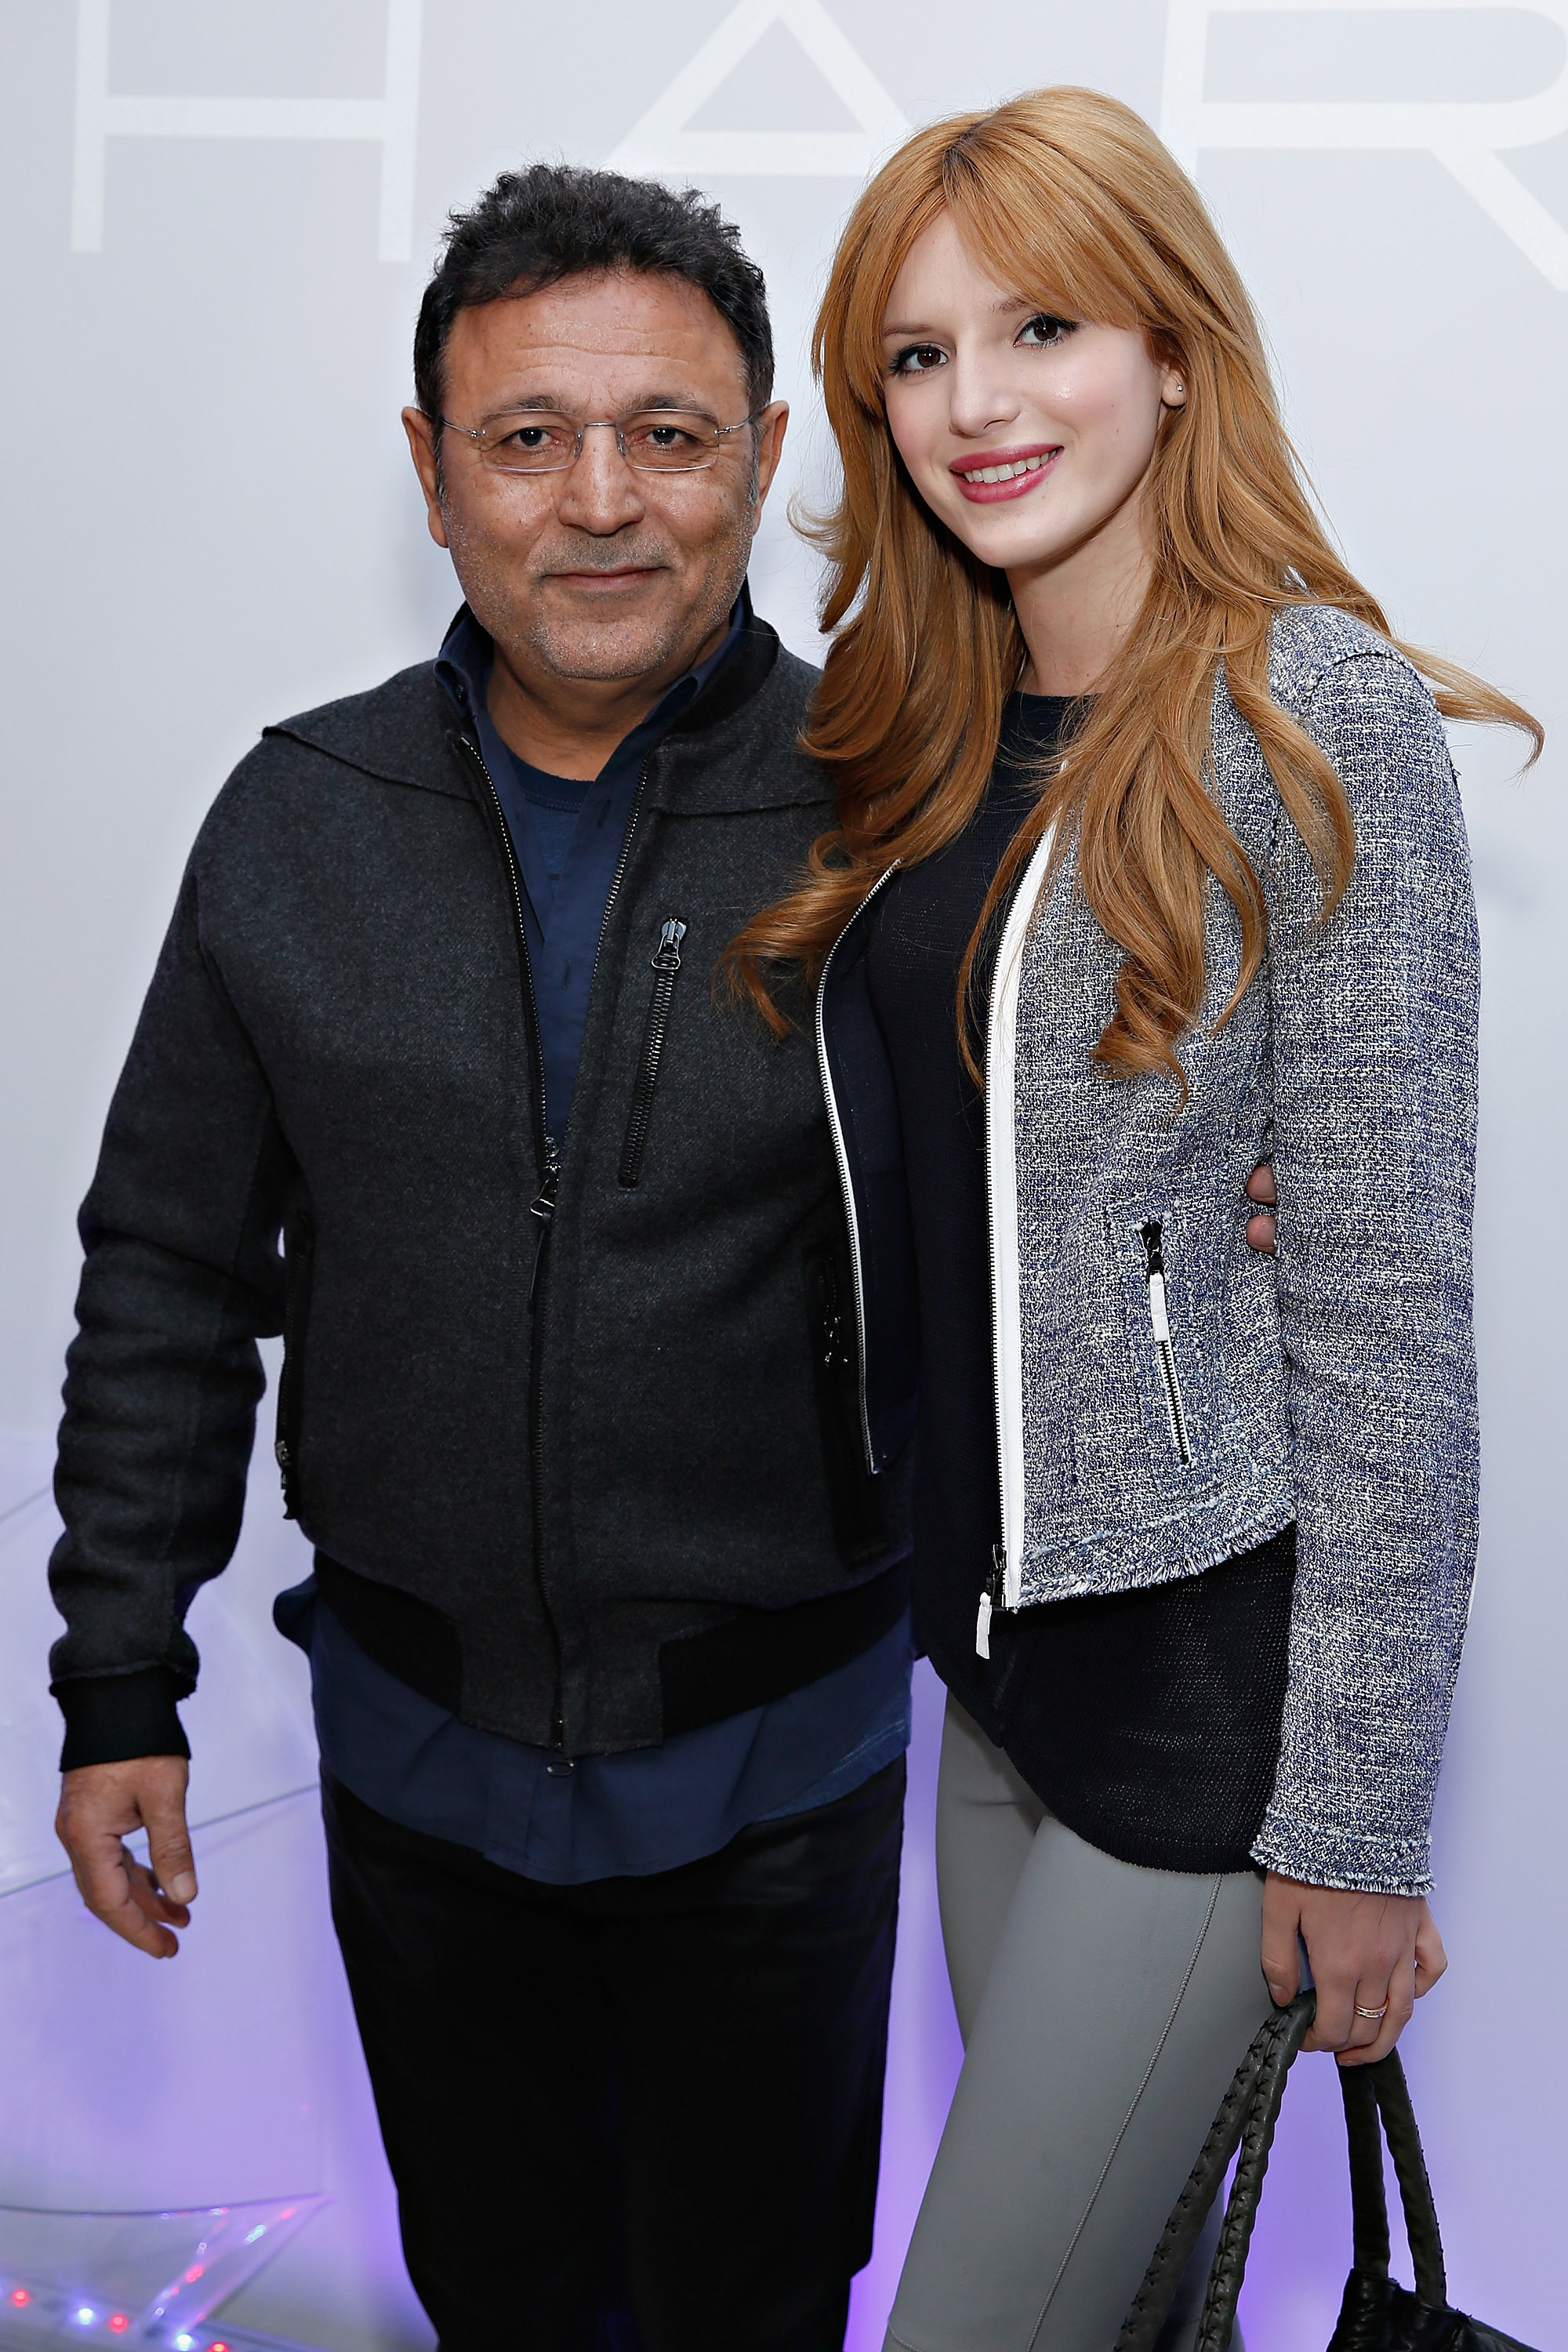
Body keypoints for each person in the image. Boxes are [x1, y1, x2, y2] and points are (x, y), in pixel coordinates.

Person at [46, 159, 1278, 2352]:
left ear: (767, 456)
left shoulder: (903, 808)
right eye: (529, 438)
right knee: (499, 2299)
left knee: (749, 2309)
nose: (601, 501)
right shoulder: (296, 818)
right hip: (412, 1757)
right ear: (433, 470)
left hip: (784, 1766)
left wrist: (1229, 1187)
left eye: (669, 434)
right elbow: (168, 1268)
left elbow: (1074, 1161)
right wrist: (116, 1678)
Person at [727, 89, 1539, 2352]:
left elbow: (1389, 1316)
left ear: (1174, 351)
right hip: (990, 1681)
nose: (977, 404)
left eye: (1043, 329)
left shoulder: (1313, 711)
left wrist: (1356, 1825)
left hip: (1205, 1716)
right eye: (917, 356)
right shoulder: (921, 723)